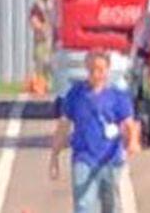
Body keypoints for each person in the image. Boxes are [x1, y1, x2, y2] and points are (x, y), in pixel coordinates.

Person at [50, 51, 140, 213]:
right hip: (83, 157)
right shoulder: (76, 94)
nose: (96, 74)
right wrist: (54, 154)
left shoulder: (117, 96)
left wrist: (132, 141)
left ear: (107, 70)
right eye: (92, 70)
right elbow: (64, 124)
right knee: (83, 204)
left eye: (100, 69)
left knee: (111, 205)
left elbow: (129, 123)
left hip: (110, 159)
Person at [28, 0, 55, 95]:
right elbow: (34, 20)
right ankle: (40, 86)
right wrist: (41, 28)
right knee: (40, 63)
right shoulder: (38, 5)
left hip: (52, 39)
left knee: (50, 63)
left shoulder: (53, 3)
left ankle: (49, 85)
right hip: (42, 39)